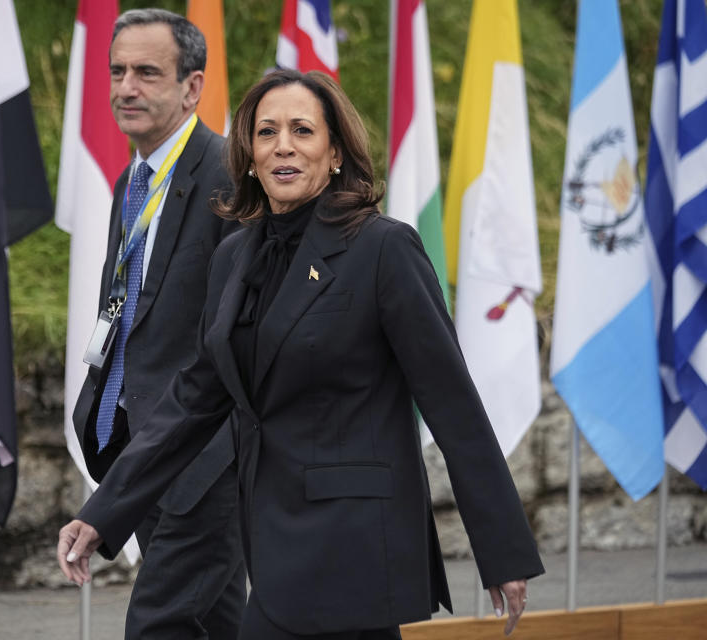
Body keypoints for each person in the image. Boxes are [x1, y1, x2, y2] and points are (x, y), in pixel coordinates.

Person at [60, 69, 545, 639]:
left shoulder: (383, 248)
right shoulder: (234, 258)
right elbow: (193, 401)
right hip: (270, 540)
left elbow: (454, 406)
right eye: (266, 133)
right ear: (247, 154)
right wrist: (102, 513)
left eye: (301, 130)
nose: (282, 146)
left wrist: (504, 550)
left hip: (353, 546)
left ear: (335, 152)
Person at [69, 8, 244, 639]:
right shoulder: (131, 182)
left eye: (147, 72)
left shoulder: (230, 174)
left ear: (192, 87)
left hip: (204, 461)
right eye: (117, 72)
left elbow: (236, 332)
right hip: (134, 448)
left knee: (157, 625)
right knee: (219, 624)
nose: (125, 88)